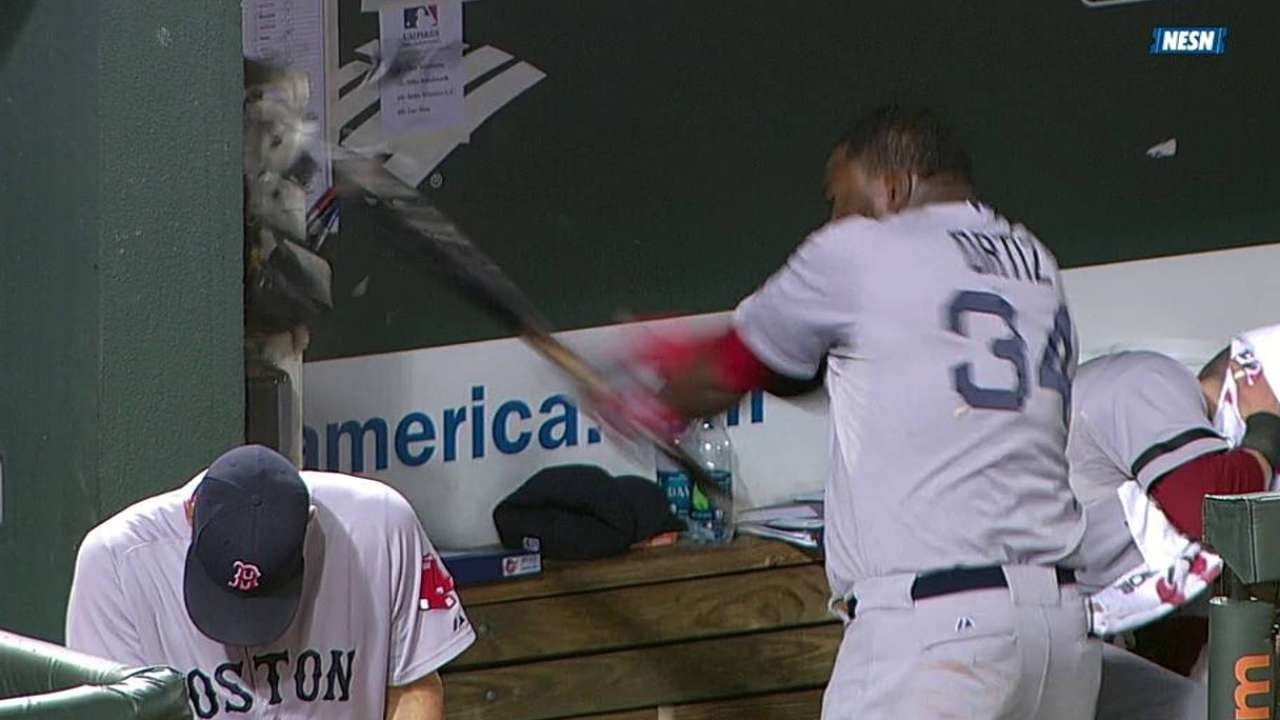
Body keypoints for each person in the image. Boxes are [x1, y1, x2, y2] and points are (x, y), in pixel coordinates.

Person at [605, 105, 1099, 719]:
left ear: (891, 188)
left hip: (937, 637)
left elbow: (727, 370)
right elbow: (811, 366)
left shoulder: (861, 249)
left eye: (840, 200)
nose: (833, 219)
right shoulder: (1034, 261)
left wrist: (648, 393)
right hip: (1061, 635)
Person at [65, 444, 474, 719]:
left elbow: (413, 685)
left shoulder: (379, 526)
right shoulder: (117, 563)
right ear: (191, 515)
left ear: (307, 528)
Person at [1067, 331, 1280, 720]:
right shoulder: (1148, 379)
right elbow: (1207, 503)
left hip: (1056, 637)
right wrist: (1267, 429)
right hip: (977, 624)